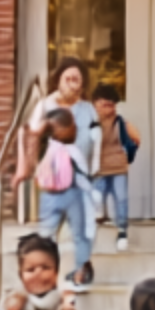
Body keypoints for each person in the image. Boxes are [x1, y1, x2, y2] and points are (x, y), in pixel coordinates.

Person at [34, 107, 101, 288]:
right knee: (81, 235)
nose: (76, 129)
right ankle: (81, 274)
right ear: (64, 130)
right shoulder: (72, 150)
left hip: (48, 196)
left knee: (46, 237)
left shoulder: (43, 148)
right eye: (72, 125)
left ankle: (43, 277)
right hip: (73, 195)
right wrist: (94, 199)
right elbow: (83, 177)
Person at [90, 83, 140, 253]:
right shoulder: (91, 122)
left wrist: (128, 155)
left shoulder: (120, 122)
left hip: (118, 167)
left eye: (111, 105)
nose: (107, 109)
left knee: (121, 199)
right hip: (98, 168)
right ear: (95, 103)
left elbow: (136, 137)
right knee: (97, 197)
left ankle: (122, 231)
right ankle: (98, 219)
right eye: (103, 105)